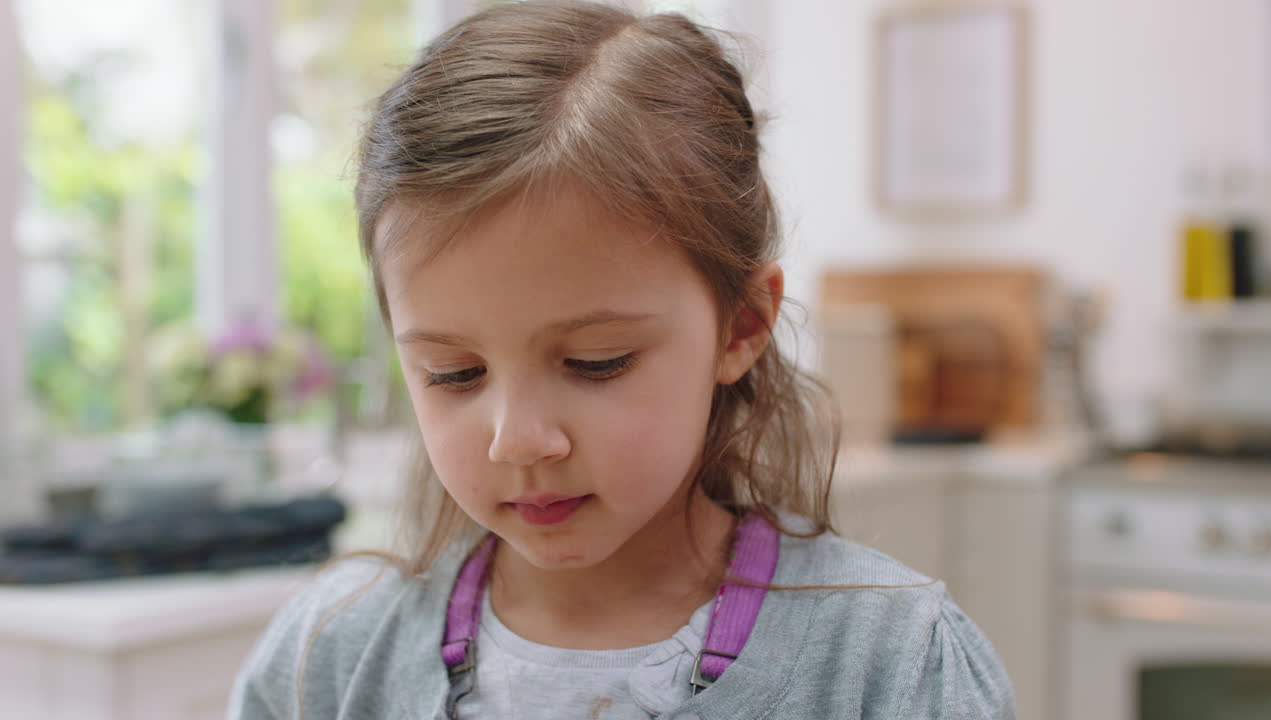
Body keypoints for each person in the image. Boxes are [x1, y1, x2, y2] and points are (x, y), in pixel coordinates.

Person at [229, 2, 1015, 718]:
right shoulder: (331, 655)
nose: (518, 440)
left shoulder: (892, 664)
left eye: (596, 362)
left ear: (740, 327)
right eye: (454, 373)